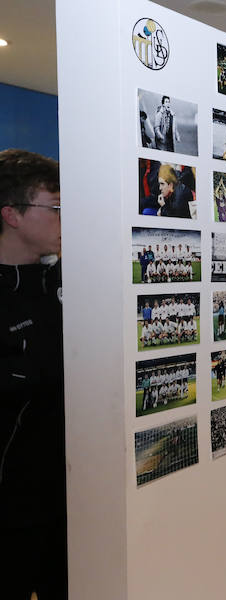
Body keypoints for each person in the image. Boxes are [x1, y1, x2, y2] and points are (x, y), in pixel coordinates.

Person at [0, 149, 66, 599]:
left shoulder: (62, 281)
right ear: (13, 215)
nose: (67, 218)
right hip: (10, 509)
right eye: (56, 207)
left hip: (70, 497)